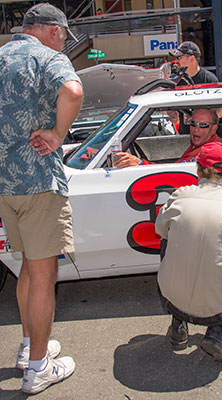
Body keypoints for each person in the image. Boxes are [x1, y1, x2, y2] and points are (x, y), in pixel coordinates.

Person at [0, 2, 83, 394]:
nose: (64, 43)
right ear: (53, 31)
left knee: (27, 271)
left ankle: (27, 348)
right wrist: (58, 133)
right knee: (44, 275)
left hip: (4, 185)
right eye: (64, 36)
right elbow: (72, 90)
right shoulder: (47, 57)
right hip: (37, 181)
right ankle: (38, 368)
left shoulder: (1, 56)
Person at [155, 141, 222, 363]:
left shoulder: (180, 196)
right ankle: (218, 334)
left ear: (198, 168)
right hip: (220, 310)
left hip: (171, 299)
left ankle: (178, 327)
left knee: (168, 240)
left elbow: (159, 229)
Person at [112, 108, 220, 167]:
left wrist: (139, 163)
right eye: (192, 123)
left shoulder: (211, 153)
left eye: (203, 125)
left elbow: (174, 176)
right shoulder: (197, 146)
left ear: (214, 128)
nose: (196, 129)